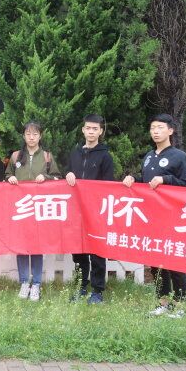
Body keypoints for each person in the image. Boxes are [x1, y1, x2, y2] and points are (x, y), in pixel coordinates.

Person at [123, 113, 186, 318]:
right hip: (151, 216)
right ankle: (162, 302)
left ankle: (180, 305)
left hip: (172, 217)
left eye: (160, 127)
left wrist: (166, 179)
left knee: (174, 261)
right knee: (155, 260)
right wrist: (133, 178)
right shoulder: (148, 156)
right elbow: (146, 181)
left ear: (170, 130)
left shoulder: (179, 156)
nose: (155, 131)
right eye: (153, 128)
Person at [5, 121, 62, 302]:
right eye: (28, 134)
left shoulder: (46, 157)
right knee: (21, 246)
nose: (31, 137)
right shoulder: (15, 156)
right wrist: (10, 177)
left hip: (39, 209)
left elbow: (57, 178)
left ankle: (36, 284)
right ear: (24, 136)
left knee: (37, 246)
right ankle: (24, 282)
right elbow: (7, 176)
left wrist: (45, 177)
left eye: (35, 134)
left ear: (40, 136)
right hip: (21, 208)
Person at [65, 114, 115, 304]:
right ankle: (81, 286)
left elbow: (109, 184)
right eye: (88, 128)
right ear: (83, 130)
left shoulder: (105, 156)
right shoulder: (75, 153)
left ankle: (97, 291)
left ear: (101, 131)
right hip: (76, 210)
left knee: (97, 251)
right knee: (78, 251)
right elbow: (68, 173)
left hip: (97, 211)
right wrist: (68, 174)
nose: (91, 132)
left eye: (95, 129)